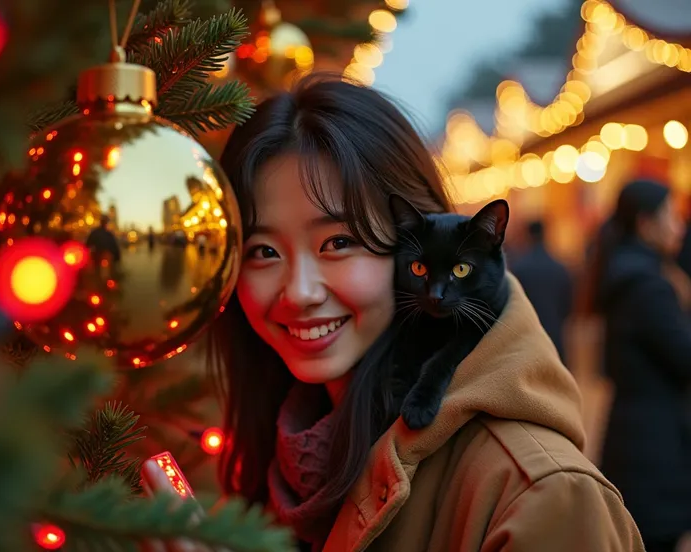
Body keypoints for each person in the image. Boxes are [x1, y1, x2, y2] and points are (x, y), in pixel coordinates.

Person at [142, 76, 643, 551]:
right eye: (263, 251)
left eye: (338, 242)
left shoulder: (540, 494)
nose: (298, 292)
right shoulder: (287, 452)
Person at [590, 179, 691, 552]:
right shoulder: (647, 285)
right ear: (646, 223)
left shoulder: (630, 274)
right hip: (652, 449)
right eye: (672, 215)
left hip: (636, 438)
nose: (679, 225)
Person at [510, 220, 573, 362]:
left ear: (528, 236)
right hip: (555, 336)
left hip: (528, 338)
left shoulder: (520, 268)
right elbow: (567, 305)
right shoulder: (560, 268)